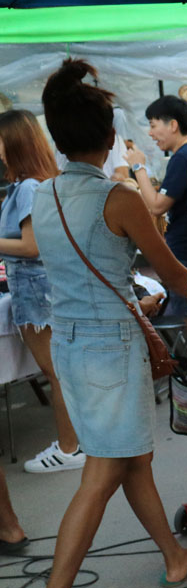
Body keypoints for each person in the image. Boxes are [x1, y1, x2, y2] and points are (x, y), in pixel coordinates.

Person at [30, 59, 187, 588]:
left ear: (58, 137)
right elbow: (175, 274)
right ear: (110, 138)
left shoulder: (43, 198)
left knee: (133, 461)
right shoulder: (120, 198)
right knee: (104, 469)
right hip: (111, 346)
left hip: (71, 347)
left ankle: (176, 557)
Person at [0, 110, 86, 475]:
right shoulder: (36, 183)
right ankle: (74, 444)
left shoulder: (27, 188)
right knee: (61, 371)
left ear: (15, 142)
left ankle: (69, 447)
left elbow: (31, 246)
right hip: (40, 291)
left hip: (36, 293)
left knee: (57, 374)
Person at [125, 95, 187, 318]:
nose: (150, 133)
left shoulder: (183, 158)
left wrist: (138, 166)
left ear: (173, 125)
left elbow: (156, 206)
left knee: (183, 318)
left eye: (153, 125)